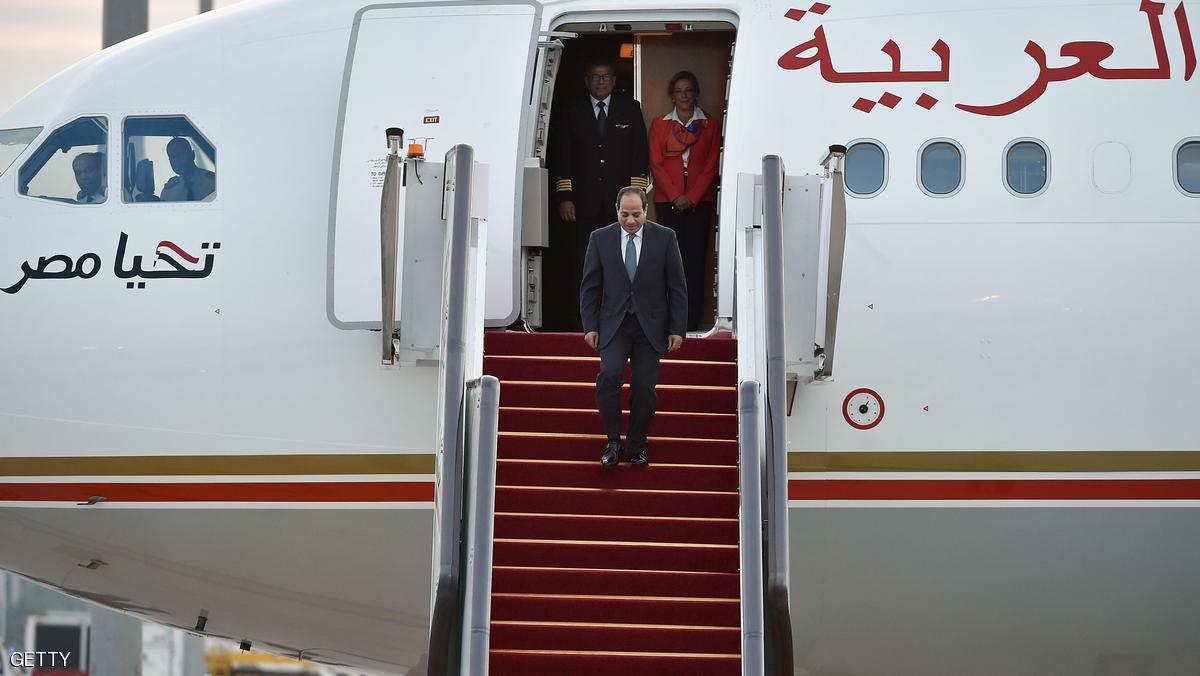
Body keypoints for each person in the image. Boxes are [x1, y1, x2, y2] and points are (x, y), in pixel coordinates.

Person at [580, 186, 687, 469]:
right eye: (625, 214)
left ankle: (637, 444)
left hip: (650, 327)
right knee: (609, 377)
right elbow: (590, 287)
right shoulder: (599, 239)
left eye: (636, 214)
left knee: (643, 387)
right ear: (616, 210)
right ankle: (613, 442)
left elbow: (677, 287)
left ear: (646, 210)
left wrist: (677, 328)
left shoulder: (665, 238)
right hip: (614, 325)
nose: (630, 220)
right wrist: (590, 325)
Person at [550, 60, 649, 330]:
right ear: (586, 80)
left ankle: (619, 318)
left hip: (621, 206)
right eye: (595, 77)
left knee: (621, 262)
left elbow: (639, 154)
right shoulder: (572, 111)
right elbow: (563, 156)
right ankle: (583, 320)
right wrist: (565, 197)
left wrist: (636, 199)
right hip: (582, 203)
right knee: (585, 263)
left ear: (614, 80)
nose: (601, 82)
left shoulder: (630, 109)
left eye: (605, 77)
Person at [648, 71, 722, 332]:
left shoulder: (710, 125)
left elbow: (712, 166)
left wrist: (691, 197)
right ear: (672, 95)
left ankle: (690, 322)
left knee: (695, 262)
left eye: (688, 90)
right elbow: (656, 164)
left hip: (699, 202)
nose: (684, 96)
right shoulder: (660, 125)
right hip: (668, 201)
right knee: (668, 261)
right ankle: (668, 321)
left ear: (696, 93)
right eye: (679, 91)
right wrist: (675, 196)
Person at [161, 138, 215, 202]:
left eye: (180, 154)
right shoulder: (168, 191)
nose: (177, 160)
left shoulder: (212, 182)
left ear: (192, 155)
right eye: (172, 157)